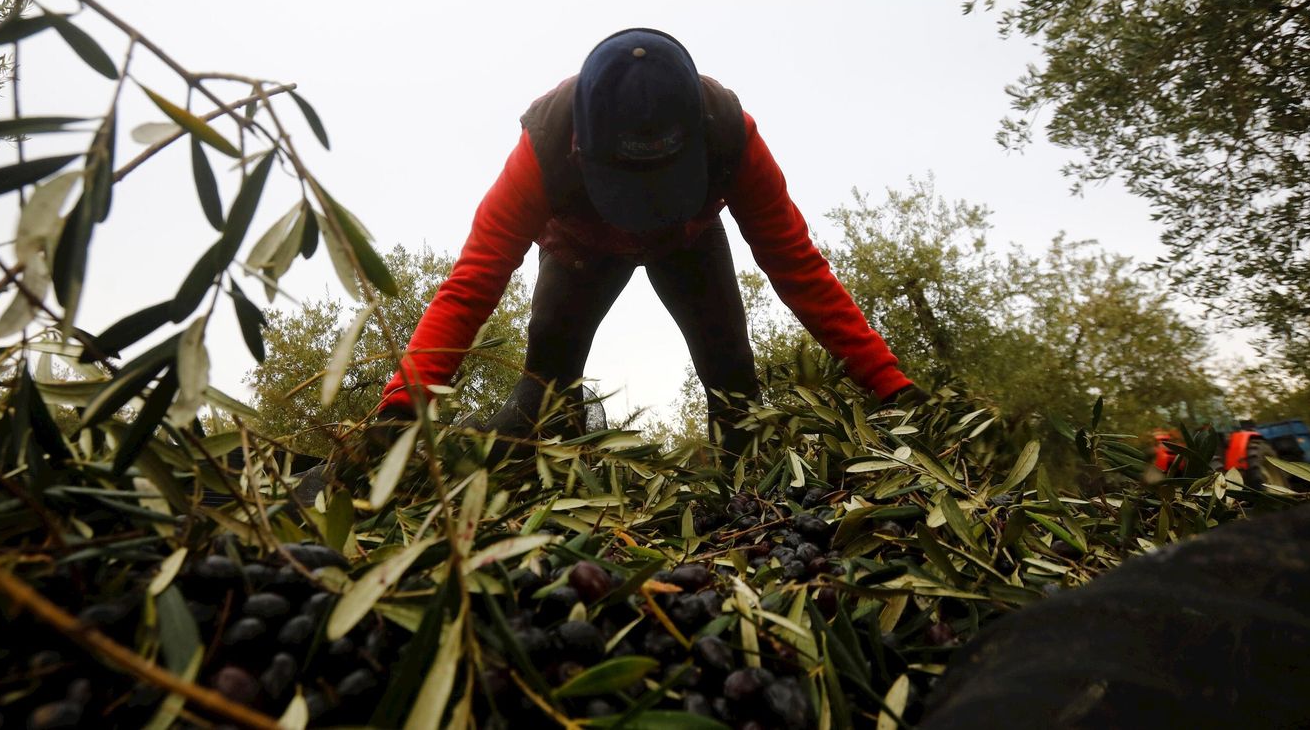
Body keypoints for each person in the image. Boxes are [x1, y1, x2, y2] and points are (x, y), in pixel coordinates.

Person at [376, 28, 920, 460]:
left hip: (689, 244)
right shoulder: (544, 146)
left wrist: (892, 387)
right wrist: (402, 407)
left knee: (737, 392)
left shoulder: (732, 136)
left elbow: (798, 267)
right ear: (581, 147)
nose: (638, 219)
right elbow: (474, 282)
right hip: (580, 252)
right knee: (542, 400)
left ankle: (747, 503)